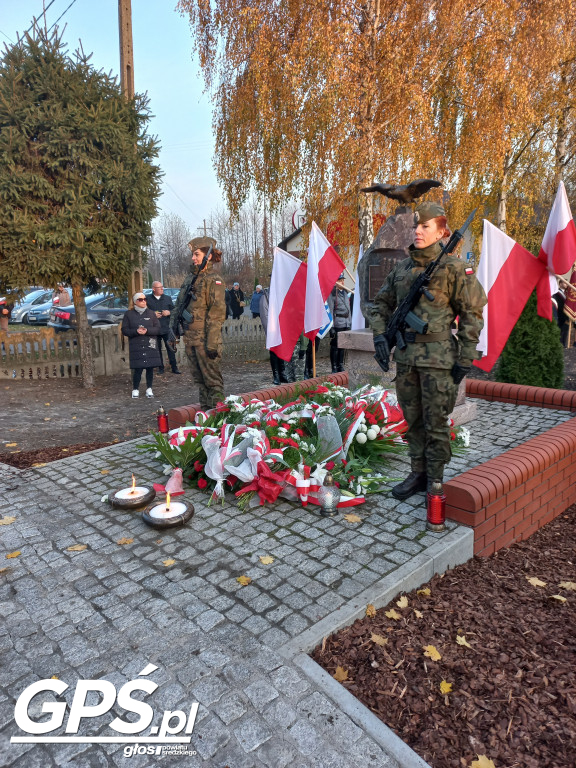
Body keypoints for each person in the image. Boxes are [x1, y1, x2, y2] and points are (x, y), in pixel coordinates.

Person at [370, 201, 487, 500]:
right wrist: (380, 336)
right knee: (413, 421)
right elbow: (381, 305)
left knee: (435, 422)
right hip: (407, 359)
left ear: (441, 232)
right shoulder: (401, 268)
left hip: (439, 360)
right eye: (416, 226)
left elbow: (472, 315)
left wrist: (466, 356)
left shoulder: (456, 269)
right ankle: (417, 472)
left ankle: (435, 479)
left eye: (425, 227)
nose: (418, 231)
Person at [172, 237, 226, 409]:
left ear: (208, 256)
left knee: (213, 383)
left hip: (205, 341)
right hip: (191, 339)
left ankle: (220, 420)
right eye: (192, 254)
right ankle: (206, 418)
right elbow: (179, 305)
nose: (193, 258)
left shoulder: (213, 279)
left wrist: (212, 343)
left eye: (196, 254)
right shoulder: (190, 279)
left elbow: (217, 313)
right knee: (200, 383)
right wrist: (171, 330)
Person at [121, 292, 162, 399]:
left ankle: (149, 388)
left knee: (150, 368)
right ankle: (135, 389)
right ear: (135, 302)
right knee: (138, 369)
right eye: (140, 299)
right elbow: (124, 330)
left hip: (149, 343)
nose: (143, 301)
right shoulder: (128, 314)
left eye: (145, 299)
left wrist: (147, 330)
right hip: (136, 344)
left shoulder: (151, 313)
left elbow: (158, 329)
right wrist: (136, 331)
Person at [146, 282, 181, 374]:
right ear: (153, 289)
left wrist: (169, 312)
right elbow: (144, 312)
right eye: (160, 287)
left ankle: (174, 367)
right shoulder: (147, 299)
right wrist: (152, 314)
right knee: (157, 350)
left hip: (166, 327)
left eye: (162, 287)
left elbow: (174, 311)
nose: (162, 289)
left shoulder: (167, 298)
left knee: (171, 348)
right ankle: (160, 368)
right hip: (154, 328)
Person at [327, 273, 352, 372]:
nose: (342, 282)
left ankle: (340, 364)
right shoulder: (333, 293)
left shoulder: (345, 292)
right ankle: (334, 366)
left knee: (343, 345)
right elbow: (331, 309)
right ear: (335, 281)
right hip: (338, 322)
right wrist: (331, 327)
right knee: (335, 346)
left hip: (346, 322)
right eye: (340, 280)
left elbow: (348, 309)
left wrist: (349, 323)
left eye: (343, 280)